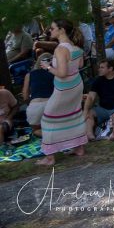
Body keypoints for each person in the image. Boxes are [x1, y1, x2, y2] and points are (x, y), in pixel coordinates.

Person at [36, 19, 87, 166]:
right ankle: (79, 147)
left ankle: (50, 157)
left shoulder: (60, 49)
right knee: (73, 115)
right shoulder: (75, 47)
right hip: (76, 85)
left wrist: (47, 66)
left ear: (61, 30)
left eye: (52, 28)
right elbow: (80, 64)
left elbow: (62, 73)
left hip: (64, 88)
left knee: (47, 120)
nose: (49, 31)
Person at [83, 59, 114, 141]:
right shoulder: (98, 80)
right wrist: (85, 111)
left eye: (102, 67)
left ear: (110, 68)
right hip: (103, 108)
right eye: (99, 67)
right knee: (89, 114)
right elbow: (91, 97)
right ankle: (90, 135)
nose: (99, 69)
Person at [21, 53, 54, 137]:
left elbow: (25, 96)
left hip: (34, 108)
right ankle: (56, 134)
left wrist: (31, 103)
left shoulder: (29, 75)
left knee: (35, 130)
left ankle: (47, 134)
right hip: (51, 105)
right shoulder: (54, 73)